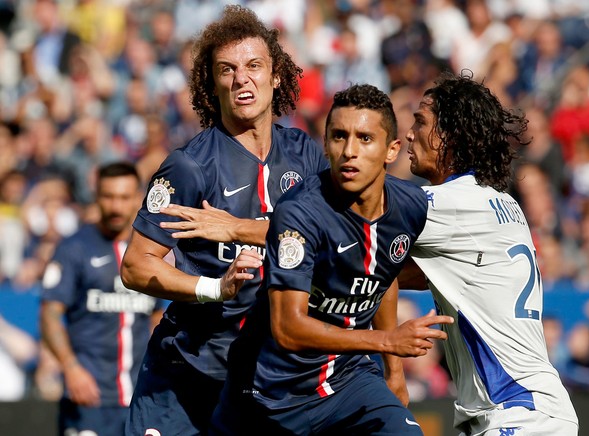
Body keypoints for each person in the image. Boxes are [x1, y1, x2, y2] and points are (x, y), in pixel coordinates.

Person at [119, 5, 329, 435]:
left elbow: (330, 239)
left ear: (276, 75)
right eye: (227, 69)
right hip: (186, 376)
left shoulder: (306, 155)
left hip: (268, 376)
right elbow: (136, 265)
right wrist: (215, 288)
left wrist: (238, 229)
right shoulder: (189, 166)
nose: (241, 79)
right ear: (211, 83)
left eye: (254, 66)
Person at [210, 84, 454, 435]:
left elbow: (383, 277)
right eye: (339, 136)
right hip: (271, 394)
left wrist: (394, 372)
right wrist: (387, 342)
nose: (350, 151)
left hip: (350, 379)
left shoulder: (411, 206)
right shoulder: (299, 214)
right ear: (325, 145)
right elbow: (288, 329)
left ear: (392, 150)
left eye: (365, 138)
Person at [400, 72, 579, 435]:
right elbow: (400, 272)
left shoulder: (448, 204)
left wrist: (259, 231)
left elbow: (351, 239)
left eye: (420, 122)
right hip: (535, 409)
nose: (409, 133)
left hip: (516, 411)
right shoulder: (501, 202)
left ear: (447, 136)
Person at [39, 162, 166, 436]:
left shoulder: (150, 250)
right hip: (89, 397)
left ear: (137, 198)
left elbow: (158, 314)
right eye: (108, 197)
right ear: (96, 196)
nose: (116, 206)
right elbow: (49, 314)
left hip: (140, 397)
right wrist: (71, 368)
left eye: (123, 197)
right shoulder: (74, 248)